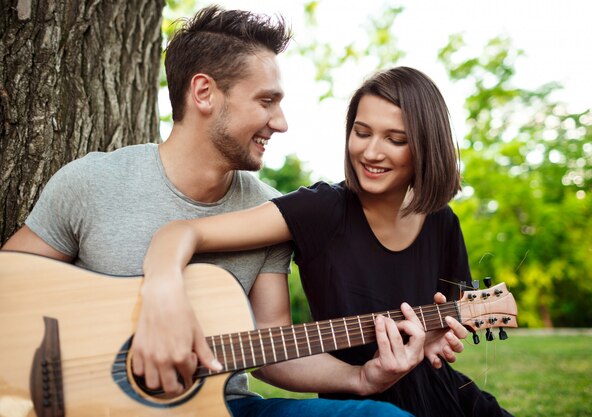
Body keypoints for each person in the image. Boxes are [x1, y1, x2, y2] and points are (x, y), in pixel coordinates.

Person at [1, 5, 466, 417]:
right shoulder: (93, 183)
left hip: (227, 405)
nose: (281, 123)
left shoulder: (268, 210)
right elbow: (9, 286)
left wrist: (360, 380)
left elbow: (272, 345)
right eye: (267, 101)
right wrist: (161, 299)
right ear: (204, 93)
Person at [141, 66, 514, 417]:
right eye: (362, 132)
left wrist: (434, 339)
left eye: (395, 139)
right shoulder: (321, 209)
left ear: (425, 147)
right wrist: (163, 294)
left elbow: (443, 325)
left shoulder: (443, 222)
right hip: (357, 406)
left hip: (444, 396)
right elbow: (183, 232)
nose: (370, 152)